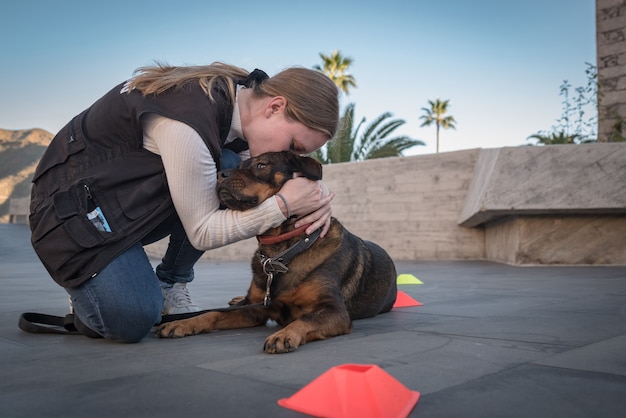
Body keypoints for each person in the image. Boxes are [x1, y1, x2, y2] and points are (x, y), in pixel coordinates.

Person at [29, 62, 339, 343]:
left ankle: (169, 283)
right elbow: (202, 232)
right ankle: (88, 289)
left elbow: (280, 168)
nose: (294, 158)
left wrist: (317, 192)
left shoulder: (243, 100)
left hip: (122, 204)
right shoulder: (187, 121)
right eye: (295, 147)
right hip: (71, 217)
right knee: (130, 321)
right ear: (275, 107)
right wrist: (283, 205)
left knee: (229, 166)